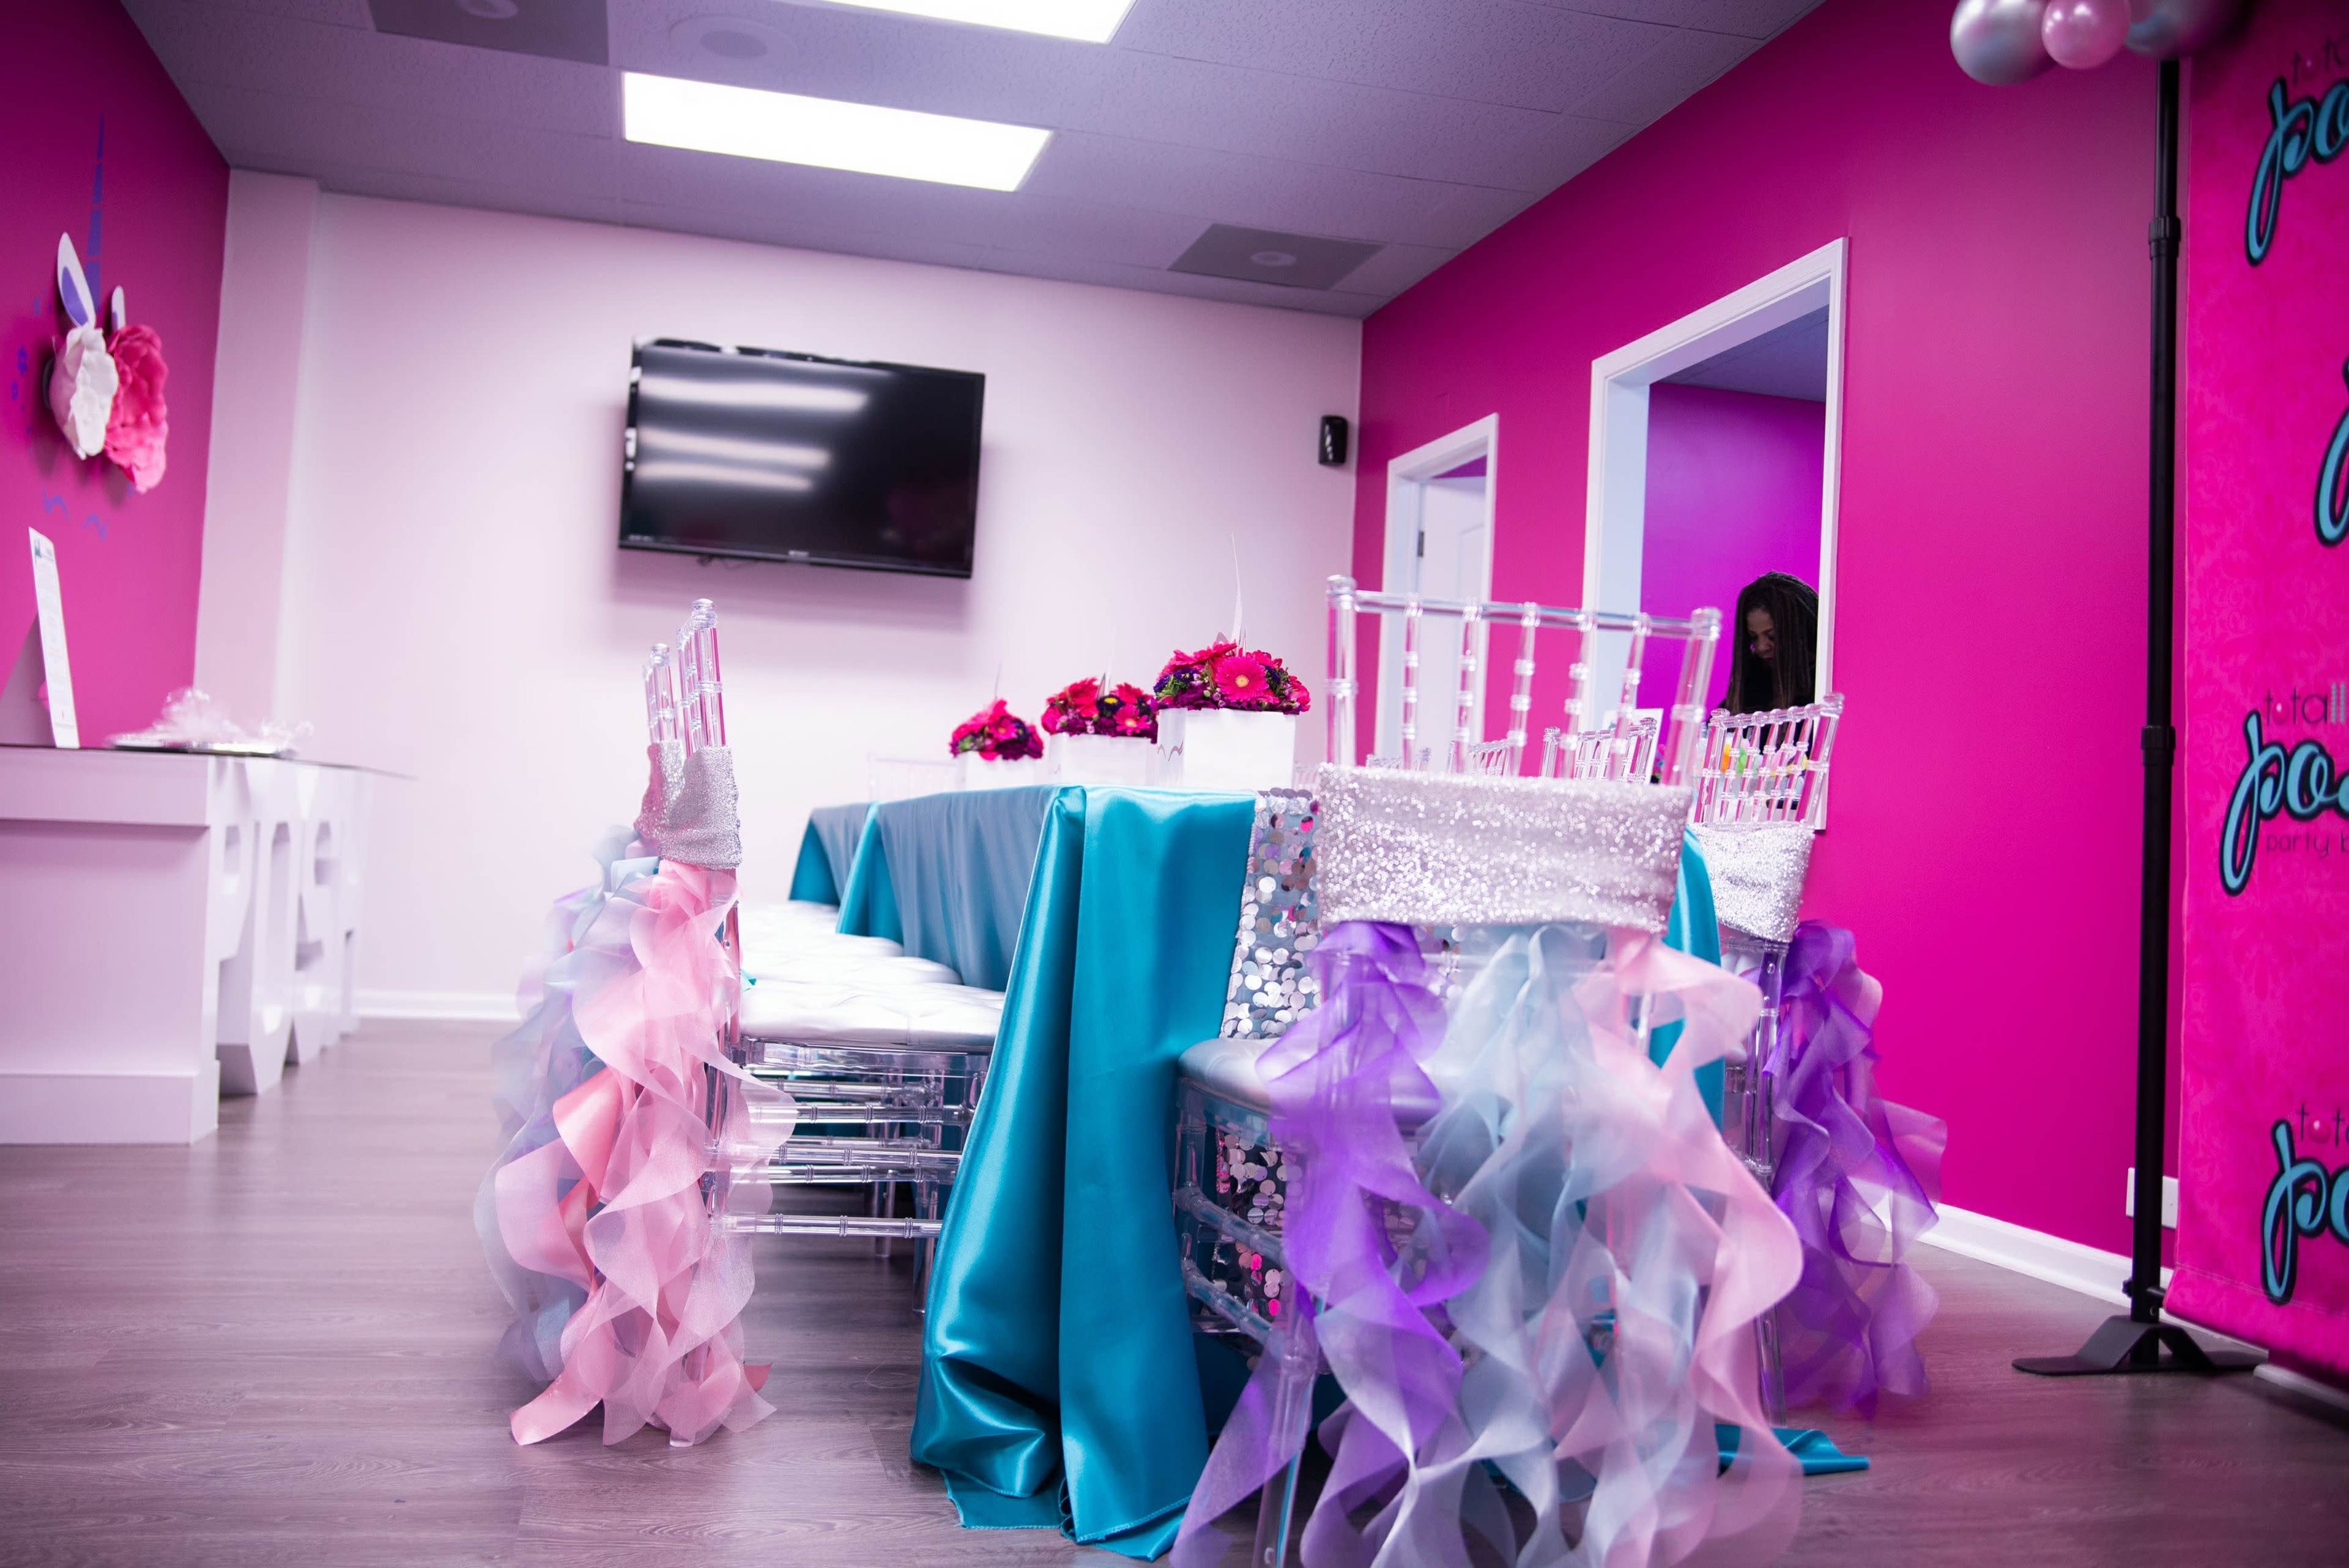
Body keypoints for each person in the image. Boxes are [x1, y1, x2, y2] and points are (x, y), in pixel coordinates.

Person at [1720, 572, 1817, 714]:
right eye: (1753, 638)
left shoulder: (1823, 685)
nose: (1761, 647)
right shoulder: (1752, 682)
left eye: (1772, 636)